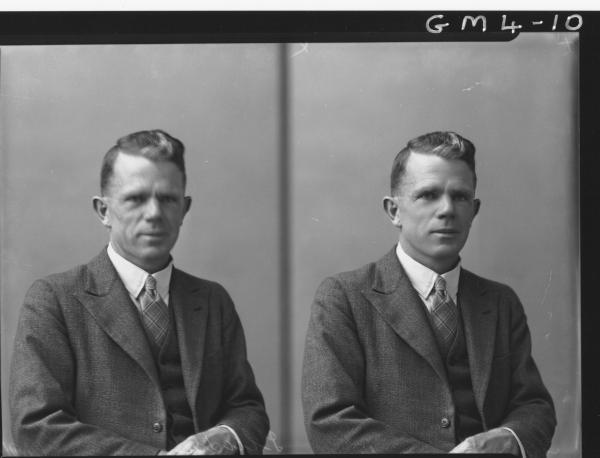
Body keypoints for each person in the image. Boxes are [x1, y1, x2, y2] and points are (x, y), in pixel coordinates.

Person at [10, 129, 269, 455]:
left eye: (168, 199)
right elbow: (37, 428)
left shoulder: (212, 301)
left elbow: (247, 407)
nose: (154, 214)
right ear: (103, 211)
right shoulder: (55, 300)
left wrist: (227, 437)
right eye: (135, 199)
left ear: (184, 210)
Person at [301, 131, 556, 456]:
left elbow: (534, 405)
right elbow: (330, 423)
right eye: (428, 195)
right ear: (393, 211)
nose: (447, 209)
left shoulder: (499, 302)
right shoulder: (344, 298)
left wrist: (510, 437)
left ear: (474, 211)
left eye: (460, 197)